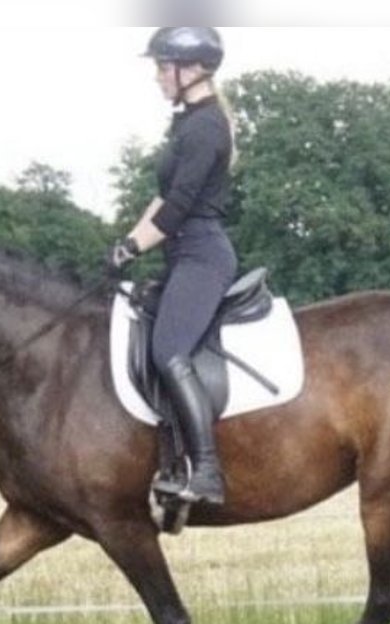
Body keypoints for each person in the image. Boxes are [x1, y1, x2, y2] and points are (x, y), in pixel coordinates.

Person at [107, 26, 238, 506]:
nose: (159, 77)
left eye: (164, 67)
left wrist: (134, 248)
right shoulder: (187, 123)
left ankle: (206, 471)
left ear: (194, 70)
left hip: (203, 255)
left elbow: (178, 207)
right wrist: (125, 242)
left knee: (169, 351)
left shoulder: (206, 128)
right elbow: (162, 196)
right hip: (181, 254)